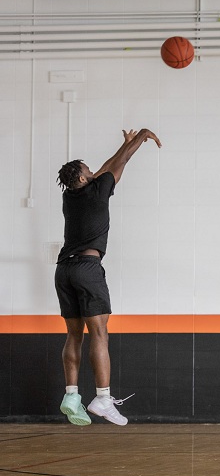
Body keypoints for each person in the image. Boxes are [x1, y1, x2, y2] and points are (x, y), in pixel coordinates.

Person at [55, 128, 161, 426]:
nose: (93, 170)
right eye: (88, 169)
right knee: (99, 334)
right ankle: (102, 398)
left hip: (63, 270)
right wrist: (140, 137)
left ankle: (71, 395)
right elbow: (119, 163)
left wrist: (122, 145)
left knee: (74, 335)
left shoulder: (71, 197)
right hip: (88, 269)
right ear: (83, 178)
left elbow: (106, 168)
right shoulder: (97, 189)